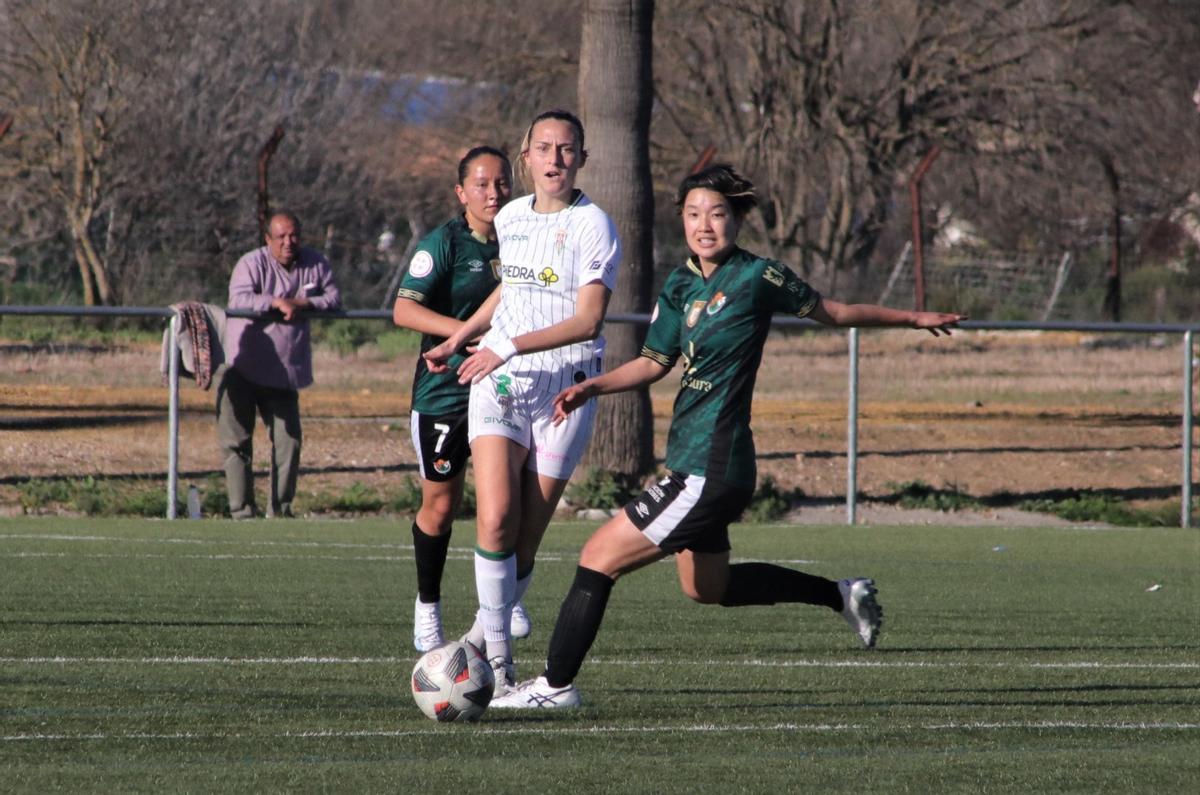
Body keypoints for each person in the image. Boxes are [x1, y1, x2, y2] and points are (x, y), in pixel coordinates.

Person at [491, 164, 964, 709]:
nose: (704, 224)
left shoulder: (758, 276)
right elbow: (651, 363)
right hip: (696, 463)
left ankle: (553, 687)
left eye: (717, 213)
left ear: (737, 219)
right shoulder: (679, 283)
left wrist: (910, 317)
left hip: (711, 467)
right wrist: (593, 387)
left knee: (598, 555)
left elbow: (832, 312)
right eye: (693, 214)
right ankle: (838, 594)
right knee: (705, 589)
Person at [423, 110, 621, 694]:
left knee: (525, 542)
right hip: (503, 381)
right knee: (495, 518)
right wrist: (460, 338)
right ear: (525, 156)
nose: (555, 158)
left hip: (564, 389)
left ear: (581, 158)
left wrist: (504, 344)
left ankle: (475, 650)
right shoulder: (510, 216)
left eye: (566, 149)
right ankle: (501, 676)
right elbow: (512, 288)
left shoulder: (595, 226)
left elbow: (588, 320)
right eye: (544, 148)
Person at [392, 145, 532, 651]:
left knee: (507, 500)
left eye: (501, 183)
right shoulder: (444, 243)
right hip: (445, 392)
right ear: (461, 192)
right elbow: (404, 311)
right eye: (481, 184)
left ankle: (503, 601)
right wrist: (463, 335)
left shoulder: (522, 239)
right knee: (441, 505)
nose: (493, 193)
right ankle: (427, 607)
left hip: (504, 387)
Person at [218, 210, 342, 519]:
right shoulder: (250, 264)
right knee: (237, 443)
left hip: (285, 372)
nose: (289, 243)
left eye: (294, 235)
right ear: (268, 239)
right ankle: (242, 511)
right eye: (281, 237)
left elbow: (333, 298)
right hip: (241, 367)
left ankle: (281, 509)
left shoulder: (315, 263)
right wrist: (274, 301)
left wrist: (303, 303)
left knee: (289, 443)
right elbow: (239, 300)